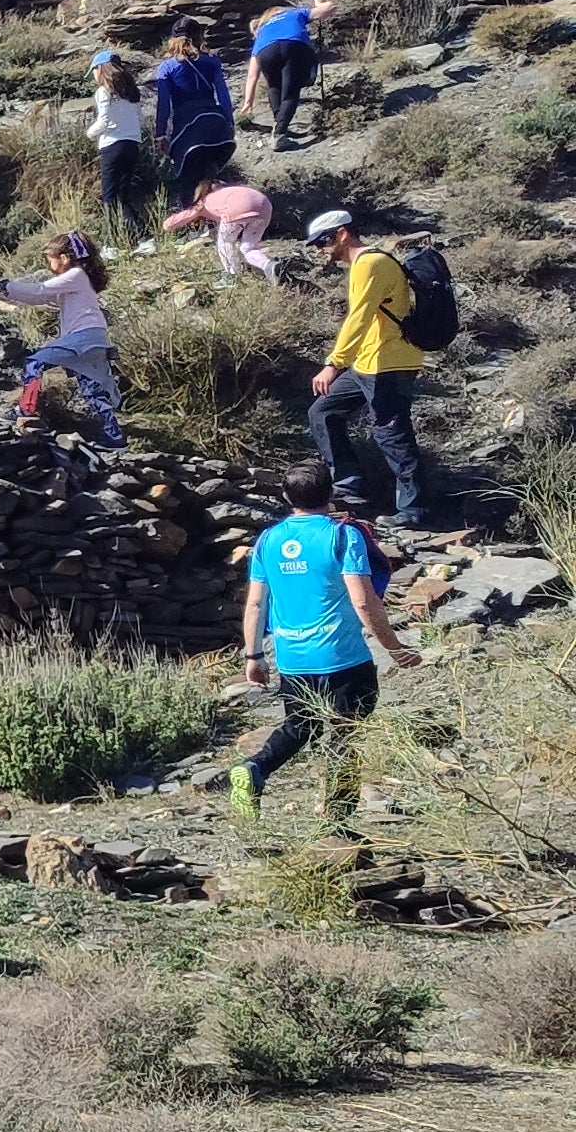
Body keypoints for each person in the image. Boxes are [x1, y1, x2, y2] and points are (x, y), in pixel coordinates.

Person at [233, 459, 420, 817]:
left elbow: (256, 603)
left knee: (300, 726)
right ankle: (337, 818)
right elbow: (364, 601)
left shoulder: (268, 540)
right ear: (330, 493)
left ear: (286, 496)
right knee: (346, 733)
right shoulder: (342, 536)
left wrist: (253, 656)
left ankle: (255, 768)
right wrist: (395, 649)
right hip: (343, 659)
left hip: (293, 660)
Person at [303, 209, 443, 531]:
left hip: (389, 363)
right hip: (369, 362)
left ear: (342, 233)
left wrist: (334, 363)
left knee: (391, 433)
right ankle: (348, 484)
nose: (321, 249)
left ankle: (414, 510)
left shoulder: (370, 263)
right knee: (323, 411)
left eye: (324, 241)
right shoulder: (364, 264)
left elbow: (360, 317)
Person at [0, 233, 126, 449]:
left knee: (35, 362)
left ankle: (26, 408)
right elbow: (41, 297)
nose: (49, 265)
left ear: (64, 258)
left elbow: (40, 290)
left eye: (50, 260)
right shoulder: (81, 279)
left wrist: (4, 287)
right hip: (97, 338)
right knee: (92, 388)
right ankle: (115, 439)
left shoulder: (75, 274)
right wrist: (7, 292)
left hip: (82, 337)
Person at [150, 29, 239, 216]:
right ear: (199, 37)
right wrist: (229, 123)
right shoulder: (212, 62)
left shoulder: (167, 68)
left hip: (189, 131)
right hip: (217, 127)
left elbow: (164, 104)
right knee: (211, 176)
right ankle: (222, 217)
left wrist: (161, 134)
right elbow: (223, 95)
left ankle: (192, 220)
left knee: (188, 182)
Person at [160, 165, 279, 279]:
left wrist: (166, 226)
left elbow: (185, 216)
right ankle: (269, 265)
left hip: (237, 209)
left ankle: (231, 275)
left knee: (225, 242)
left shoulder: (203, 202)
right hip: (264, 208)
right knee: (248, 248)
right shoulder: (226, 192)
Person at [81, 54, 152, 238]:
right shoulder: (130, 92)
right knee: (122, 196)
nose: (94, 76)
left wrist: (90, 133)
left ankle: (114, 241)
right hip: (132, 144)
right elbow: (140, 118)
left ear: (101, 69)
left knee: (109, 197)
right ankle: (141, 235)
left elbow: (104, 120)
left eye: (94, 71)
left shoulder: (103, 92)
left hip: (112, 146)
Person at [247, 0, 325, 149]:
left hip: (266, 53)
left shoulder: (262, 30)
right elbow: (327, 10)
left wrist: (247, 103)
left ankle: (280, 127)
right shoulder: (294, 13)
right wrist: (318, 3)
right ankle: (279, 133)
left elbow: (252, 75)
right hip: (293, 45)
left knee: (274, 87)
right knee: (291, 92)